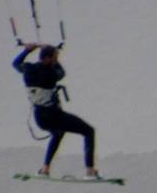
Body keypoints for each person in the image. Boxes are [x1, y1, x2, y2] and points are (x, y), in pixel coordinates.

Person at [12, 42, 98, 178]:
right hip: (53, 115)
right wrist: (53, 53)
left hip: (39, 118)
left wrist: (27, 50)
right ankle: (90, 171)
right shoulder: (51, 74)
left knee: (58, 133)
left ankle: (45, 168)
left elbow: (15, 63)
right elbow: (61, 73)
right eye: (55, 58)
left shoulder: (28, 69)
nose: (56, 61)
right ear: (47, 58)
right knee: (88, 131)